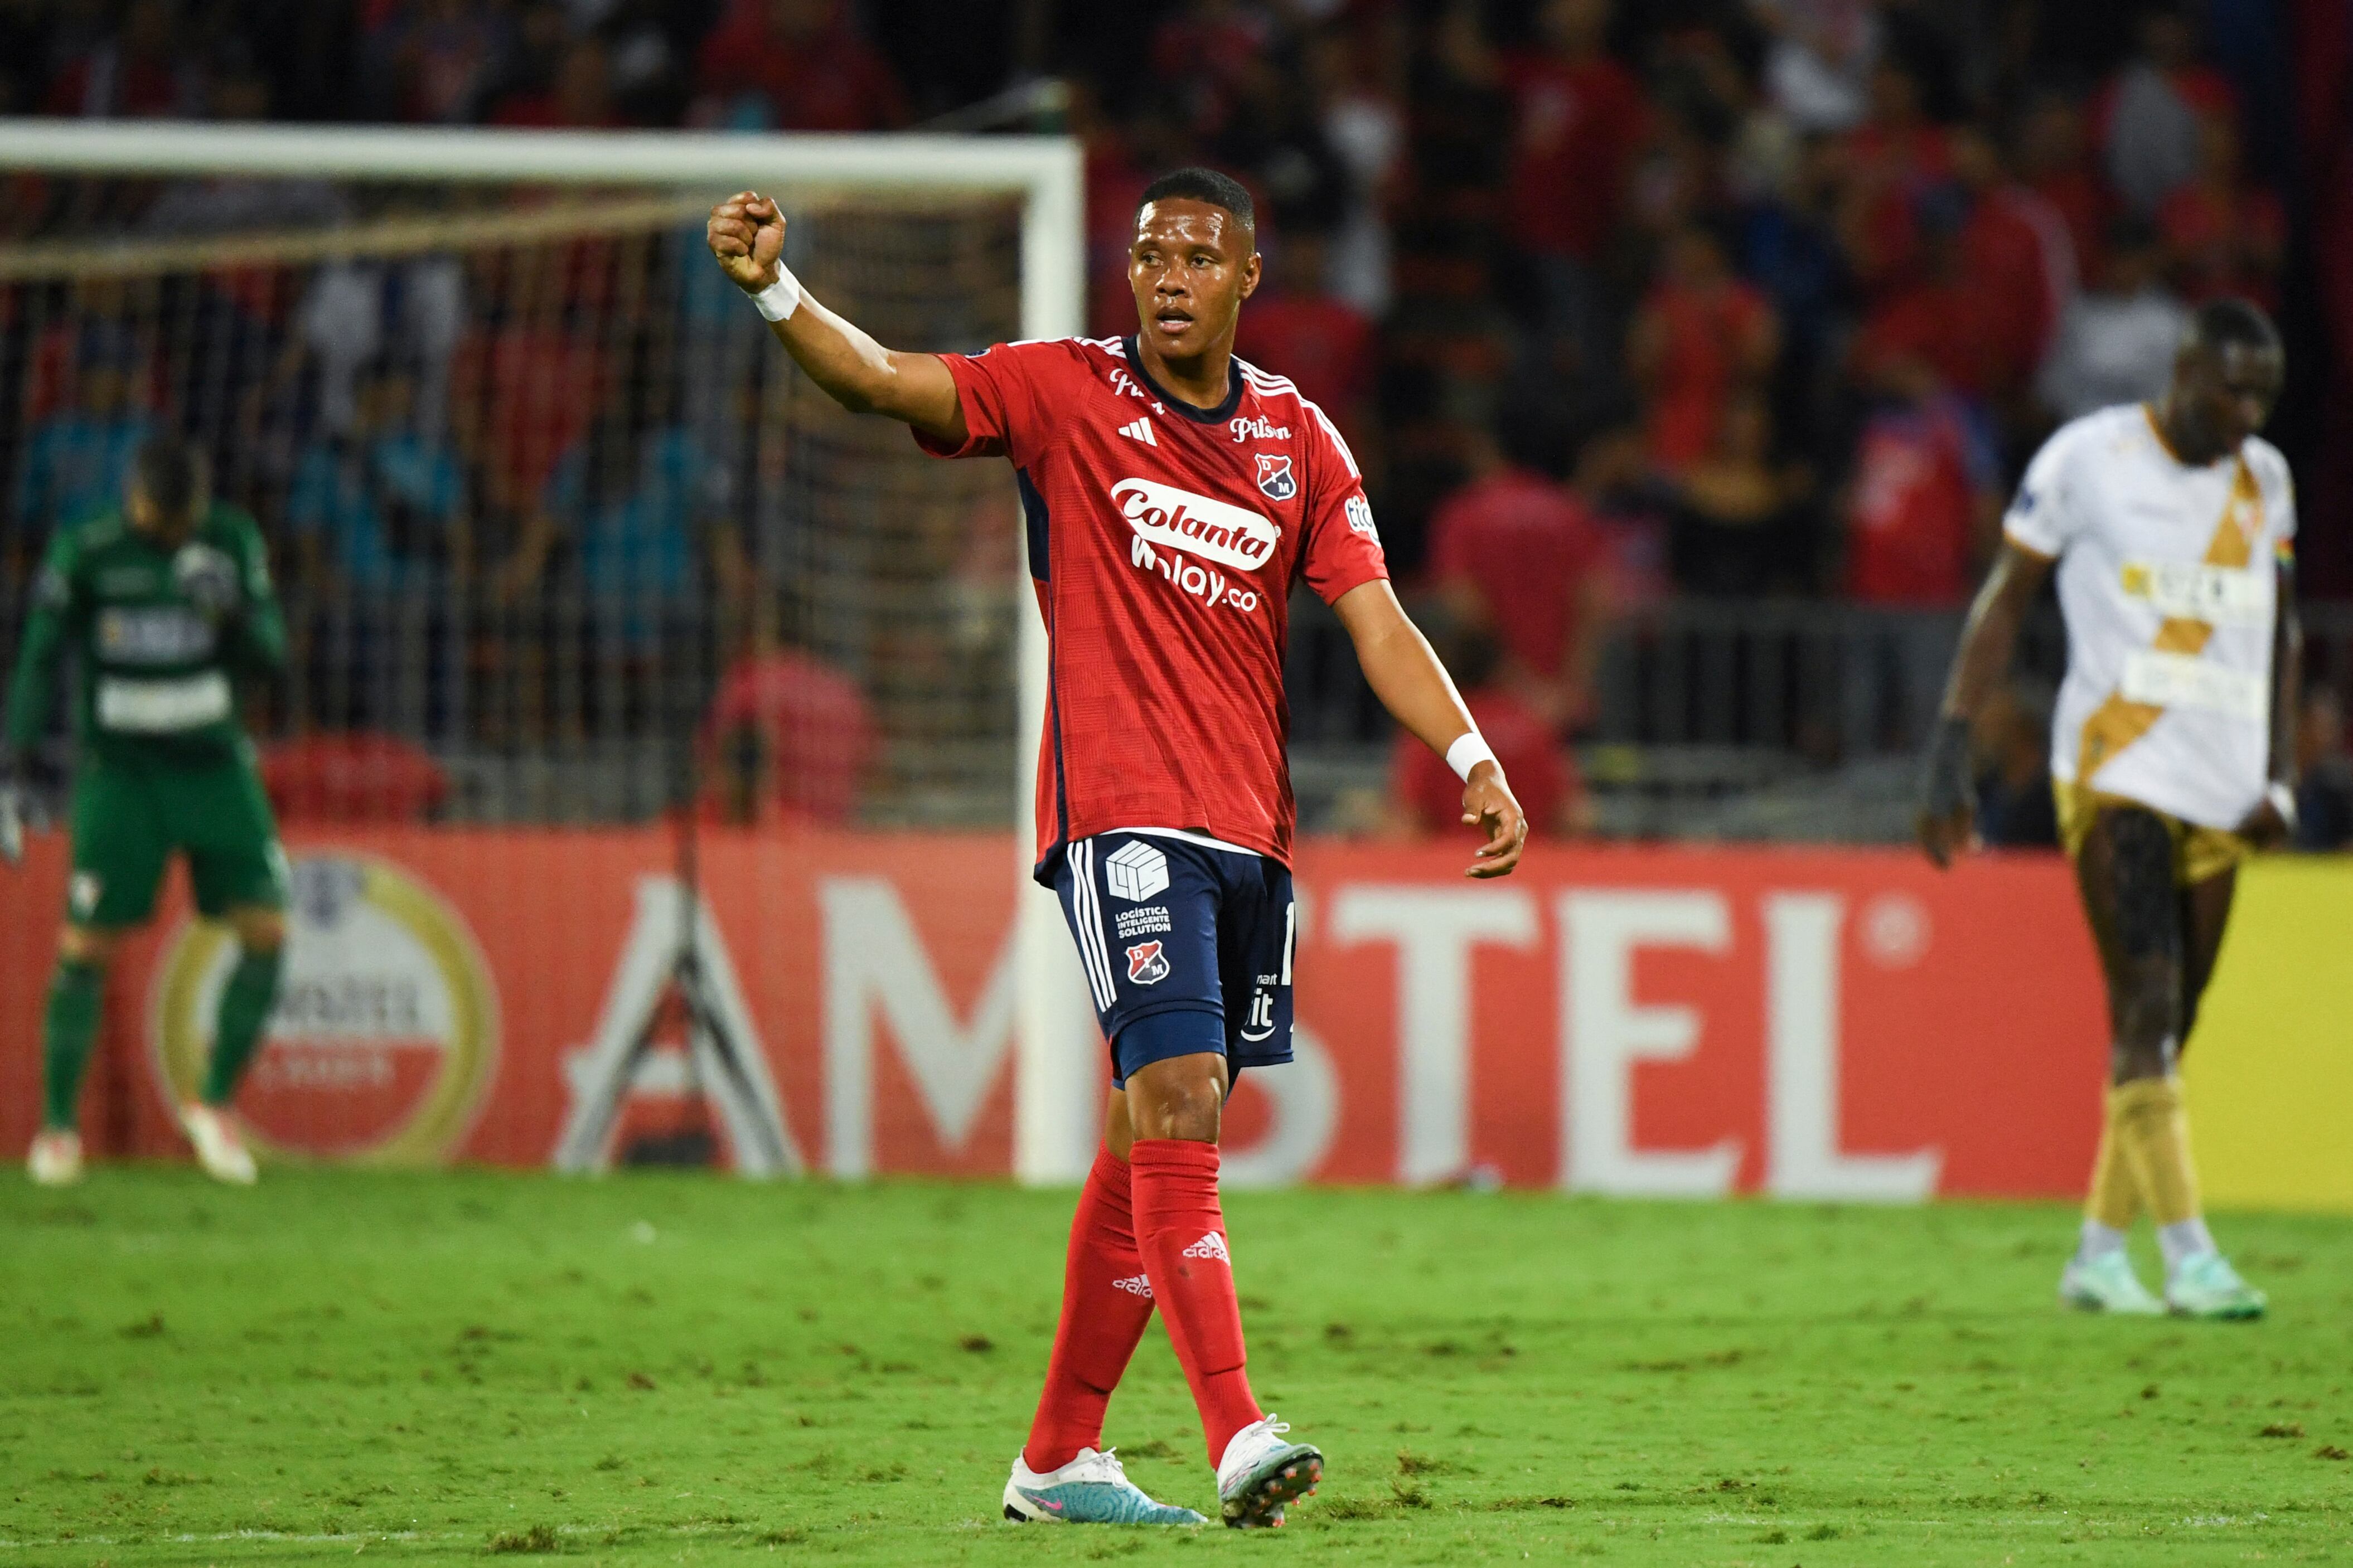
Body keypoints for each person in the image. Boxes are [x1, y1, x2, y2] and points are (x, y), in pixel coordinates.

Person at [706, 166, 1528, 1528]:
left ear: (1246, 277)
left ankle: (1057, 1460)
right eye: (1150, 255)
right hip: (1121, 818)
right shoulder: (1061, 391)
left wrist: (1470, 757)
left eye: (1198, 257)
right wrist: (777, 291)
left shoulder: (1298, 435)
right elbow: (881, 382)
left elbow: (1376, 617)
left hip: (1249, 833)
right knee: (1182, 1097)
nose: (1168, 277)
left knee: (1144, 1130)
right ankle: (1236, 1429)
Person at [1916, 299, 2296, 1321]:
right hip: (2117, 768)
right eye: (2233, 390)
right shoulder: (2088, 458)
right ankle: (2191, 1255)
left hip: (2223, 783)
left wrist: (2279, 777)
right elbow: (2006, 597)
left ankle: (2096, 1250)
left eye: (2264, 395)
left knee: (2170, 1026)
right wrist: (1952, 747)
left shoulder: (2266, 480)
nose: (2249, 413)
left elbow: (2283, 631)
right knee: (2148, 1008)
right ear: (2185, 372)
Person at [1, 438, 291, 1188]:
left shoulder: (230, 540)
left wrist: (230, 613)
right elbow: (41, 652)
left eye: (184, 520)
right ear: (136, 501)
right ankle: (59, 1129)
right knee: (86, 943)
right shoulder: (88, 549)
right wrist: (13, 764)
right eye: (164, 522)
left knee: (267, 928)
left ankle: (213, 1105)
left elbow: (273, 656)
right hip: (121, 772)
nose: (175, 534)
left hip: (213, 764)